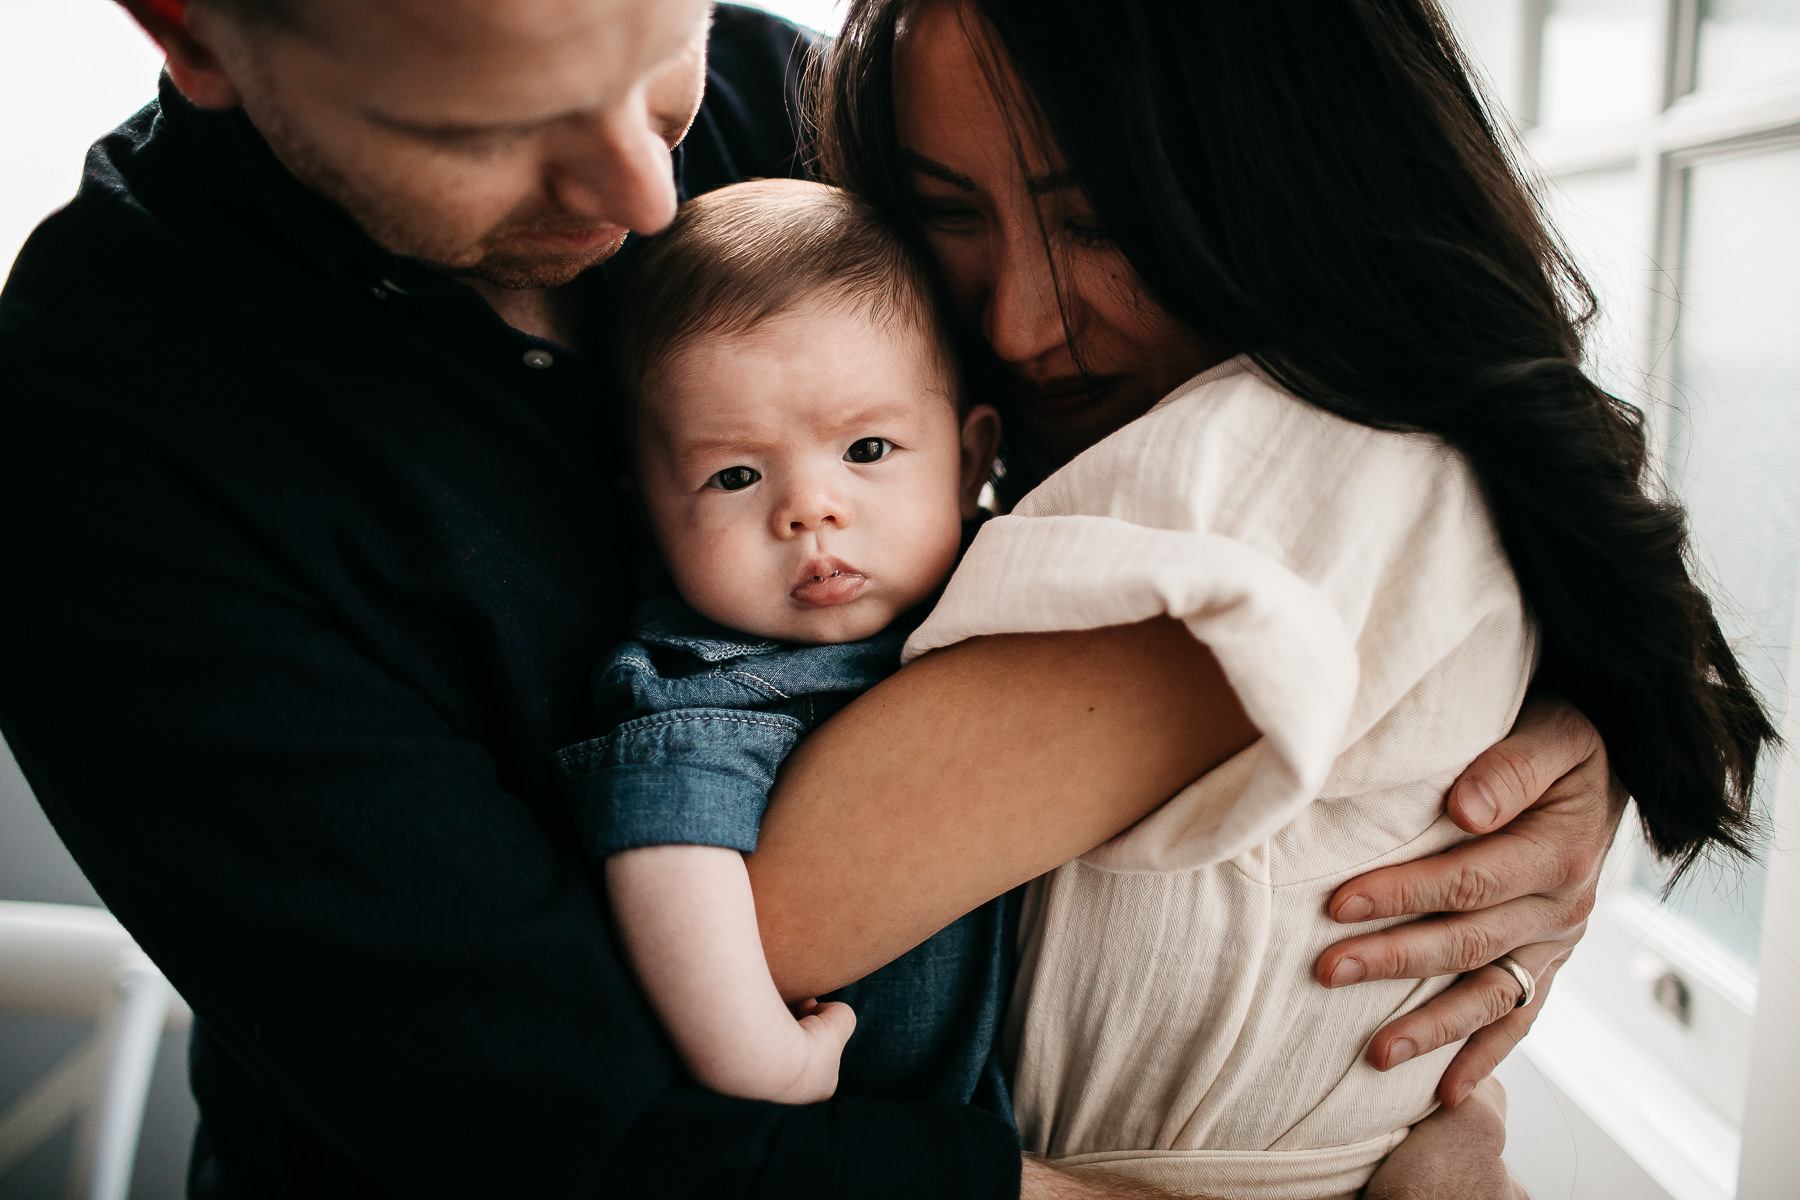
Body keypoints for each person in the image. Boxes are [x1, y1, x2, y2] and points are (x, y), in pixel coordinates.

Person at [0, 0, 1624, 1194]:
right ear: (189, 29)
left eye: (656, 64)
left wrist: (1539, 736)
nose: (645, 196)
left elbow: (1173, 435)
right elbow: (560, 1124)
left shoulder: (791, 105)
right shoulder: (98, 430)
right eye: (482, 130)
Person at [775, 0, 1775, 1195]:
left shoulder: (1288, 469)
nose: (1018, 319)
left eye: (1100, 217)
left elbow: (751, 927)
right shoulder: (1347, 459)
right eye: (949, 213)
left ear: (1296, 174)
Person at [557, 177, 1003, 1106]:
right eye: (734, 475)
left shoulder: (1011, 594)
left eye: (867, 450)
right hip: (875, 1113)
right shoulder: (708, 691)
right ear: (649, 521)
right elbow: (670, 865)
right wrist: (759, 1057)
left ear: (968, 463)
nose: (809, 508)